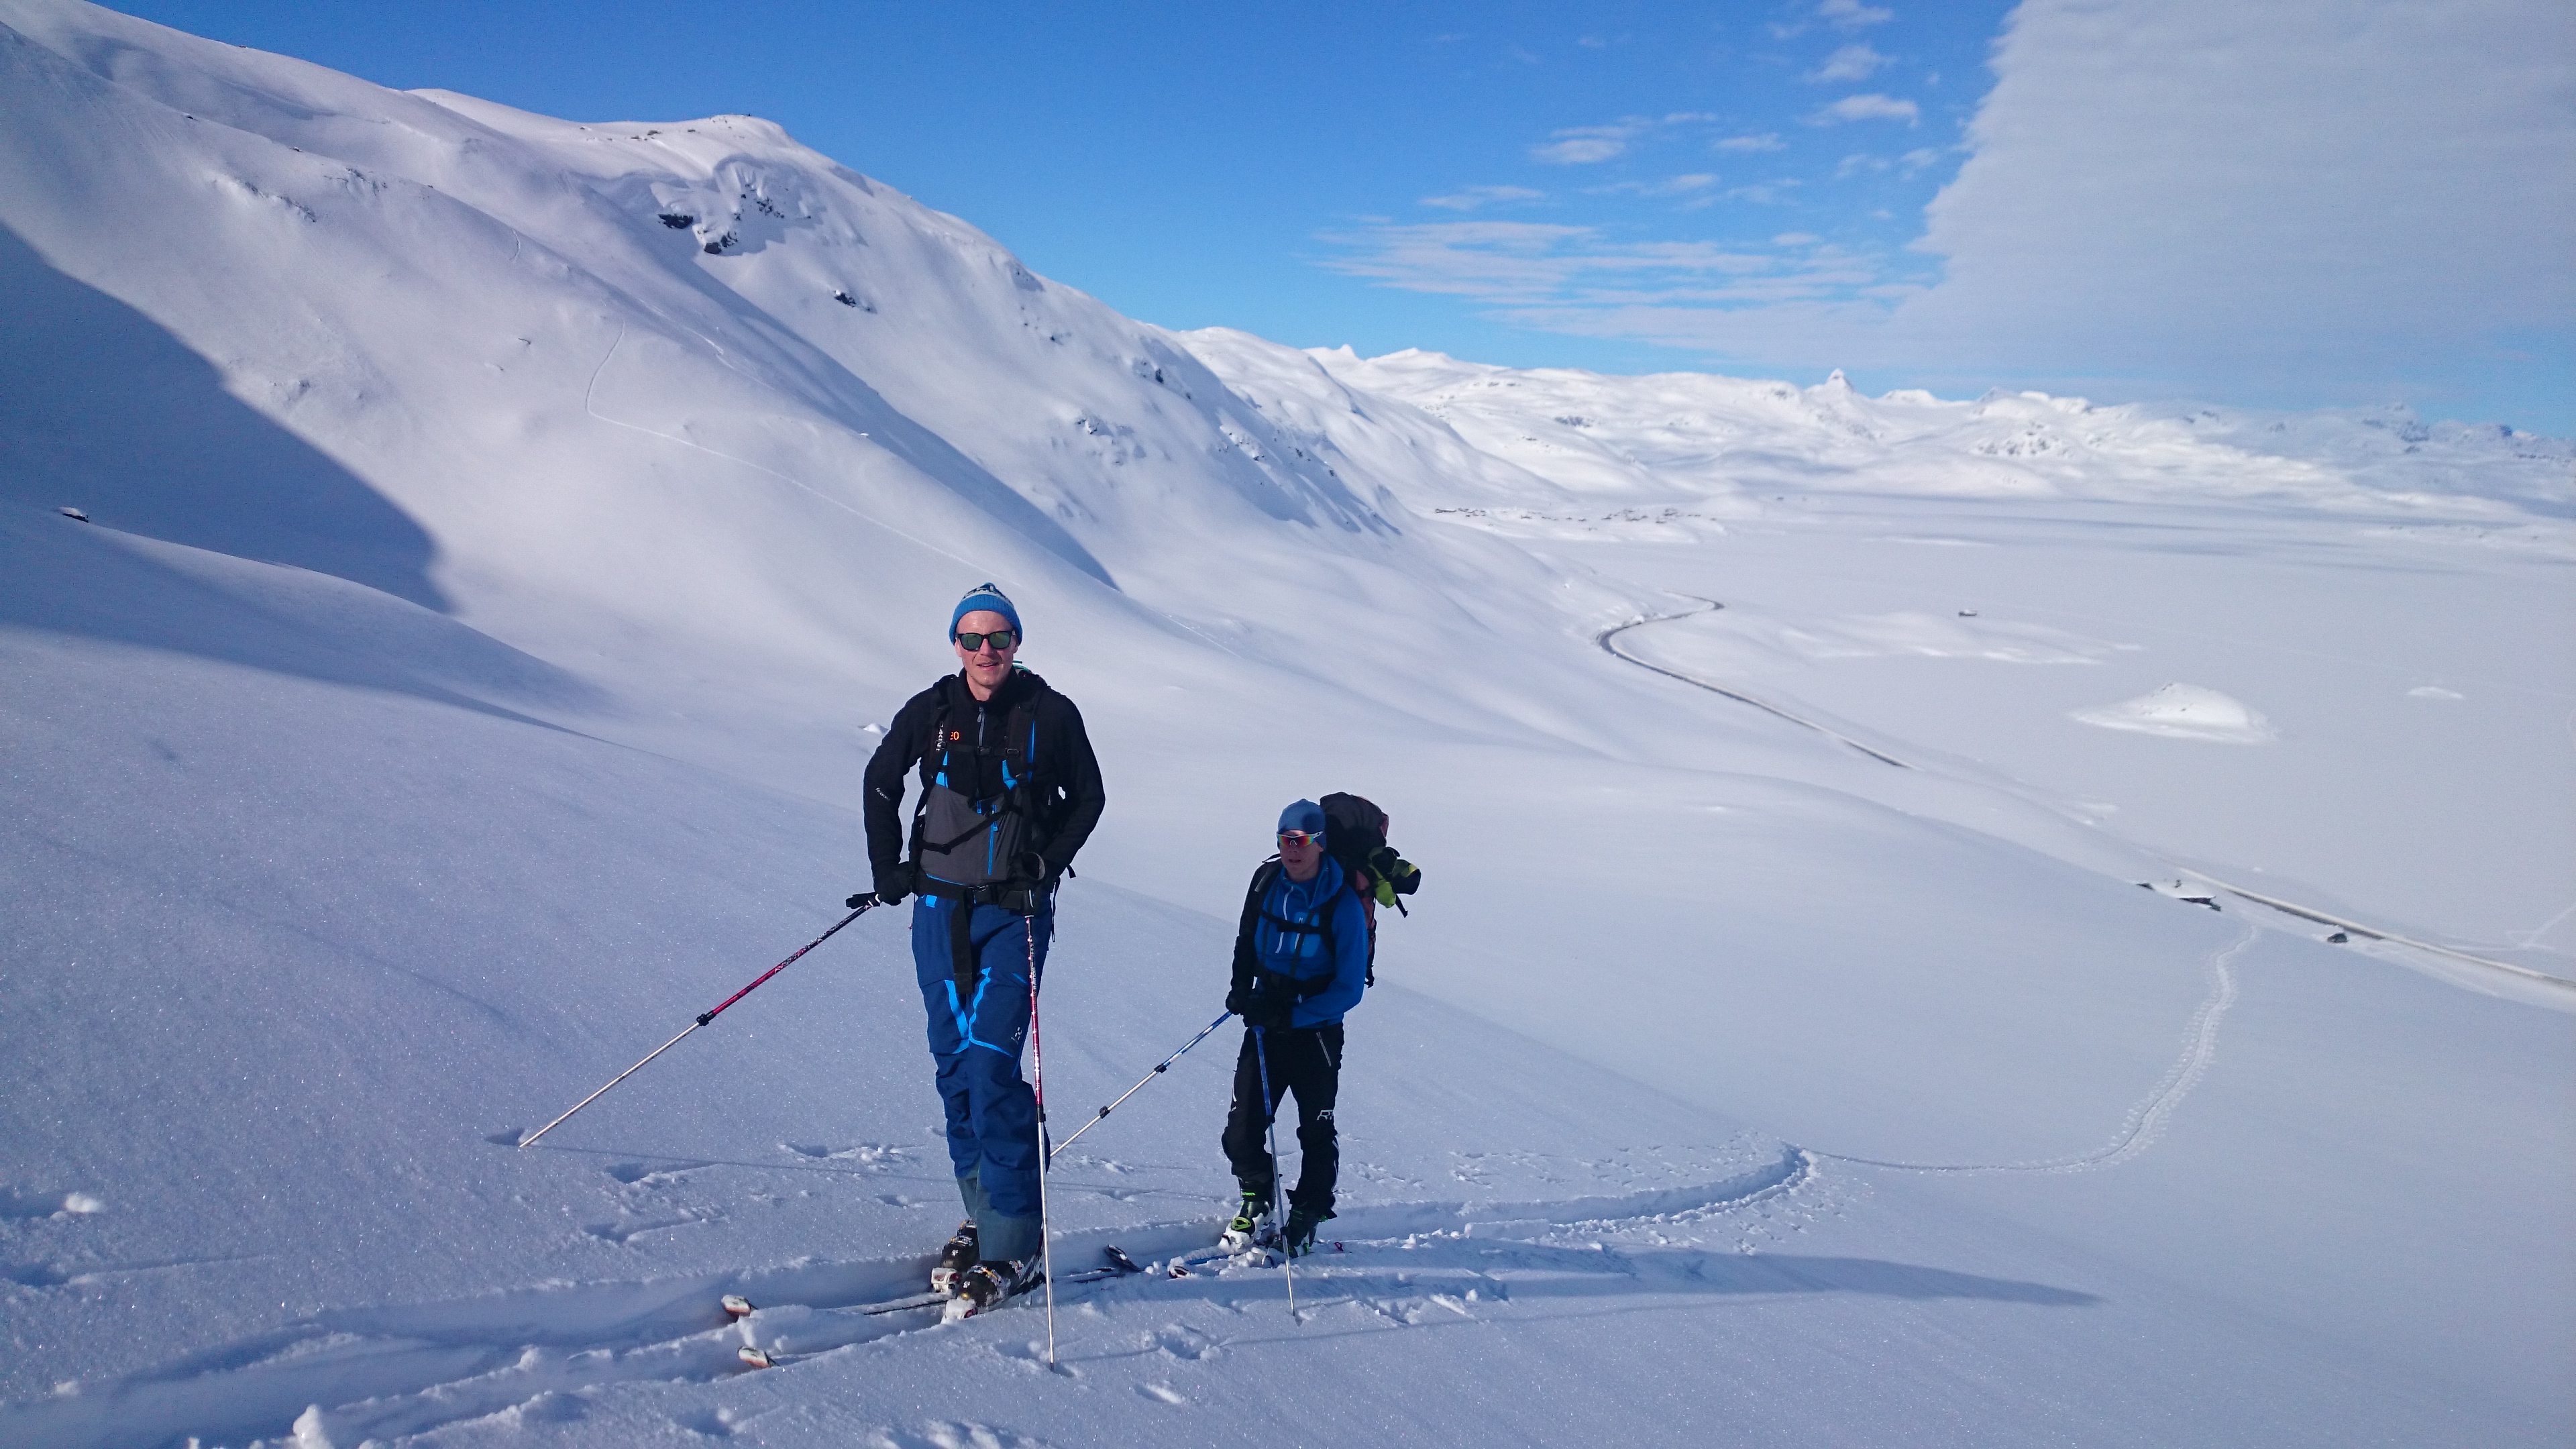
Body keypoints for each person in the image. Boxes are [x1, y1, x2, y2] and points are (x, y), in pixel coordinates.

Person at [856, 583, 1106, 1313]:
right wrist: (888, 869)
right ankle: (984, 1211)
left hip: (1012, 914)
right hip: (937, 910)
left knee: (992, 1067)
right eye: (972, 638)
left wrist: (1045, 864)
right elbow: (881, 782)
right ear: (956, 644)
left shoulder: (1051, 714)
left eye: (999, 637)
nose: (986, 650)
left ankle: (1014, 1238)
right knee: (954, 1069)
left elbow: (1089, 798)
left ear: (1017, 642)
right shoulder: (933, 711)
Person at [1220, 800, 1371, 1257]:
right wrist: (1240, 990)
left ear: (1320, 843)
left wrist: (1294, 1016)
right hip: (1266, 1021)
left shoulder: (1342, 905)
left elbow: (1349, 989)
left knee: (1315, 1130)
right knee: (1242, 1128)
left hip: (1317, 1033)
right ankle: (1258, 1194)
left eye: (1301, 841)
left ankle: (1309, 1210)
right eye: (1285, 840)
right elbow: (1247, 940)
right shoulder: (1266, 882)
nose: (1292, 849)